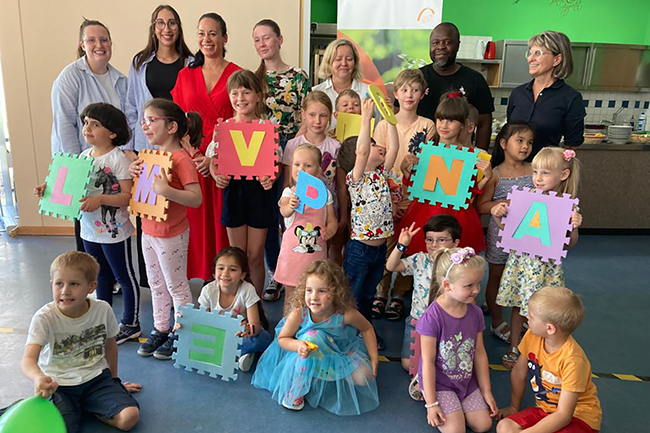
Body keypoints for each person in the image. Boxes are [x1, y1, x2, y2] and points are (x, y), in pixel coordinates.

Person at [38, 103, 141, 343]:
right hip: (89, 231)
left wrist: (102, 199)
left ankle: (131, 323)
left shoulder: (118, 159)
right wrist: (48, 191)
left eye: (95, 124)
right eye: (86, 123)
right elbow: (68, 190)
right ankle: (102, 322)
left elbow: (127, 197)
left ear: (112, 133)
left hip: (114, 232)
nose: (87, 128)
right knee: (100, 276)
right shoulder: (83, 157)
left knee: (123, 277)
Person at [21, 252, 140, 433]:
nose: (65, 291)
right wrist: (38, 377)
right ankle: (82, 408)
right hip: (59, 385)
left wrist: (114, 381)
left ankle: (88, 408)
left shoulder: (102, 309)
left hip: (96, 380)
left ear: (91, 287)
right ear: (52, 284)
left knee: (129, 417)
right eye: (59, 283)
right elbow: (28, 360)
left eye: (74, 284)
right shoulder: (44, 317)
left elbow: (110, 346)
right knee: (64, 429)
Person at [491, 147, 582, 368]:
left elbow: (569, 243)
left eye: (545, 173)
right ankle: (515, 346)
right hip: (522, 264)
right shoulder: (525, 196)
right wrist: (497, 216)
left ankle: (540, 351)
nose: (538, 178)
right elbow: (510, 230)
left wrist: (575, 226)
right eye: (535, 172)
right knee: (518, 306)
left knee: (545, 310)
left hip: (545, 268)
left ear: (563, 175)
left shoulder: (567, 205)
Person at [252, 260, 379, 415]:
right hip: (304, 355)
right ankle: (297, 388)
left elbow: (366, 328)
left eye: (322, 291)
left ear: (336, 292)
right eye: (309, 290)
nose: (314, 297)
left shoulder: (345, 314)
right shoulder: (300, 313)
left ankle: (325, 375)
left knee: (364, 377)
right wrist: (298, 345)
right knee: (314, 336)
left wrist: (374, 359)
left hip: (335, 352)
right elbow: (283, 338)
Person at [124, 5, 193, 288]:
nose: (167, 29)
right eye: (161, 23)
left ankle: (176, 275)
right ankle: (152, 281)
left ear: (179, 27)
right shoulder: (140, 63)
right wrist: (130, 149)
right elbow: (131, 108)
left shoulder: (190, 62)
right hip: (147, 149)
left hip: (177, 148)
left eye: (172, 23)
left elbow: (192, 106)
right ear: (153, 27)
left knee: (176, 209)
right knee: (148, 212)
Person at [129, 99, 202, 360]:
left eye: (151, 121)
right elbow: (143, 192)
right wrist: (133, 171)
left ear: (171, 127)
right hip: (148, 231)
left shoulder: (181, 159)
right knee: (156, 284)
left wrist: (168, 191)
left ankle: (185, 333)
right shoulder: (149, 157)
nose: (145, 126)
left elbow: (195, 198)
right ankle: (161, 328)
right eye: (143, 121)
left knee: (176, 286)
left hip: (171, 234)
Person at [171, 13, 241, 281]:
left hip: (227, 161)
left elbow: (244, 119)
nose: (206, 39)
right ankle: (203, 280)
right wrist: (195, 154)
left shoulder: (237, 74)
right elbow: (177, 121)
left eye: (213, 33)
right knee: (197, 223)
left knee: (224, 222)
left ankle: (226, 281)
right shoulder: (184, 75)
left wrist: (215, 159)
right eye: (201, 33)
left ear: (224, 37)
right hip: (193, 159)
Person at [51, 19, 127, 253]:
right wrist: (77, 168)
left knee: (107, 219)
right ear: (82, 45)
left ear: (111, 44)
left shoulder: (120, 79)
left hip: (108, 163)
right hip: (80, 160)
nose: (99, 45)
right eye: (91, 40)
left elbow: (126, 121)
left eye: (104, 40)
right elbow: (64, 122)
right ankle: (90, 276)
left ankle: (108, 275)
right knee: (85, 219)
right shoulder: (71, 76)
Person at [371, 68, 436, 322]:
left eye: (415, 90)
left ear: (422, 94)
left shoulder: (428, 125)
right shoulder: (384, 124)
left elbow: (428, 163)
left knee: (409, 245)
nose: (410, 95)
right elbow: (377, 163)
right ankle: (381, 291)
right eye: (404, 89)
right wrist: (387, 195)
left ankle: (400, 294)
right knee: (386, 246)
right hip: (386, 194)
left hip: (413, 195)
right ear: (395, 93)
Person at [252, 19, 310, 298]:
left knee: (293, 211)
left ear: (280, 39)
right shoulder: (254, 79)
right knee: (270, 213)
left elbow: (306, 114)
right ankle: (275, 271)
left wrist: (291, 149)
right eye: (257, 40)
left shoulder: (299, 76)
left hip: (293, 150)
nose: (263, 44)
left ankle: (297, 268)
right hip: (263, 154)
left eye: (267, 38)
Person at [208, 70, 277, 297]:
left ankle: (255, 304)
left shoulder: (267, 128)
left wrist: (271, 178)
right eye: (235, 93)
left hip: (259, 196)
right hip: (234, 195)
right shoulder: (224, 128)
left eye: (246, 92)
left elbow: (275, 164)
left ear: (258, 96)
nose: (240, 98)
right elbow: (213, 162)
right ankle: (238, 304)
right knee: (237, 255)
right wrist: (216, 174)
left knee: (255, 255)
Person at [397, 93, 491, 257]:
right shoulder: (427, 151)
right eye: (440, 119)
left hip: (457, 216)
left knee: (451, 265)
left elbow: (470, 192)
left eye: (451, 120)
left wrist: (487, 177)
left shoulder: (468, 155)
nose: (444, 125)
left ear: (462, 125)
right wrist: (405, 169)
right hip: (425, 213)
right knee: (420, 260)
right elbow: (415, 186)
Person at [496, 287, 602, 433]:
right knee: (504, 427)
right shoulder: (532, 335)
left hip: (579, 418)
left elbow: (564, 415)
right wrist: (514, 407)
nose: (526, 316)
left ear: (550, 329)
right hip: (545, 411)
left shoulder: (573, 360)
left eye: (531, 317)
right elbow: (518, 373)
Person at [417, 247, 497, 433]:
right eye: (469, 286)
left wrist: (487, 391)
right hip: (440, 384)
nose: (476, 290)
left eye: (478, 284)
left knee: (484, 425)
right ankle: (424, 393)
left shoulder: (475, 312)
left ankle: (460, 405)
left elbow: (479, 353)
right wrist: (431, 404)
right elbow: (427, 362)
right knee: (456, 431)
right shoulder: (432, 317)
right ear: (447, 285)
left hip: (465, 381)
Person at [476, 122, 535, 344]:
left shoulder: (535, 171)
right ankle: (497, 320)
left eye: (529, 142)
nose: (525, 146)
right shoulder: (495, 174)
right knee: (497, 277)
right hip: (500, 235)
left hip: (528, 235)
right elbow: (481, 206)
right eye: (519, 141)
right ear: (503, 143)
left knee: (526, 277)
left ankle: (526, 317)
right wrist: (499, 203)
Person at [342, 97, 397, 333]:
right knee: (351, 295)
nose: (380, 147)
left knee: (368, 294)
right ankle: (344, 334)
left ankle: (365, 332)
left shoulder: (381, 174)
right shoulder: (357, 178)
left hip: (379, 250)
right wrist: (366, 119)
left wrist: (390, 118)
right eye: (375, 145)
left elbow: (394, 147)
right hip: (360, 249)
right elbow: (362, 151)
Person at [384, 215, 461, 374]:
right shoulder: (420, 259)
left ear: (455, 243)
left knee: (445, 365)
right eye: (429, 239)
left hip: (447, 323)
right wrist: (401, 245)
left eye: (441, 240)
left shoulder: (459, 265)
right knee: (408, 365)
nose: (434, 245)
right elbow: (391, 266)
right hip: (418, 320)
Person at [181, 247, 271, 372]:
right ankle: (238, 355)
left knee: (263, 338)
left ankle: (230, 355)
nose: (225, 273)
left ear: (242, 275)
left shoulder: (247, 290)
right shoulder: (209, 290)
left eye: (233, 269)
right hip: (216, 336)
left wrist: (248, 329)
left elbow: (255, 326)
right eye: (221, 268)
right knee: (184, 337)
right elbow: (203, 323)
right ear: (214, 272)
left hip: (238, 337)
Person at [280, 91, 343, 265]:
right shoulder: (293, 145)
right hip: (299, 210)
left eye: (323, 116)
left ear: (330, 117)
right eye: (312, 115)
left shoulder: (335, 146)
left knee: (323, 252)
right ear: (303, 115)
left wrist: (341, 215)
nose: (317, 121)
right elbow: (287, 180)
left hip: (327, 208)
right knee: (297, 251)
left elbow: (339, 183)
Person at [274, 144, 337, 310]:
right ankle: (286, 332)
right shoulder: (290, 192)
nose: (301, 169)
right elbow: (284, 211)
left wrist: (330, 229)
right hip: (293, 258)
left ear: (318, 170)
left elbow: (332, 221)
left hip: (315, 258)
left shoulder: (325, 194)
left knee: (315, 299)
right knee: (291, 298)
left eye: (307, 165)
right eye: (297, 164)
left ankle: (311, 333)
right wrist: (291, 206)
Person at [507, 31, 585, 159]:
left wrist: (550, 167)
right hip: (512, 171)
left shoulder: (571, 98)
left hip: (544, 173)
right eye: (530, 53)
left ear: (557, 59)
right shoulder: (518, 93)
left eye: (538, 53)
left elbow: (572, 144)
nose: (530, 59)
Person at [417, 22, 494, 150]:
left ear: (458, 45)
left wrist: (480, 157)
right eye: (435, 43)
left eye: (447, 42)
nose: (440, 47)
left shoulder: (475, 80)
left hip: (459, 156)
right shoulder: (418, 78)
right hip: (421, 154)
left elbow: (484, 123)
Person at [312, 39, 369, 131]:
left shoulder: (367, 92)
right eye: (338, 59)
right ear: (329, 63)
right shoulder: (316, 93)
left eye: (349, 59)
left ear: (355, 63)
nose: (344, 64)